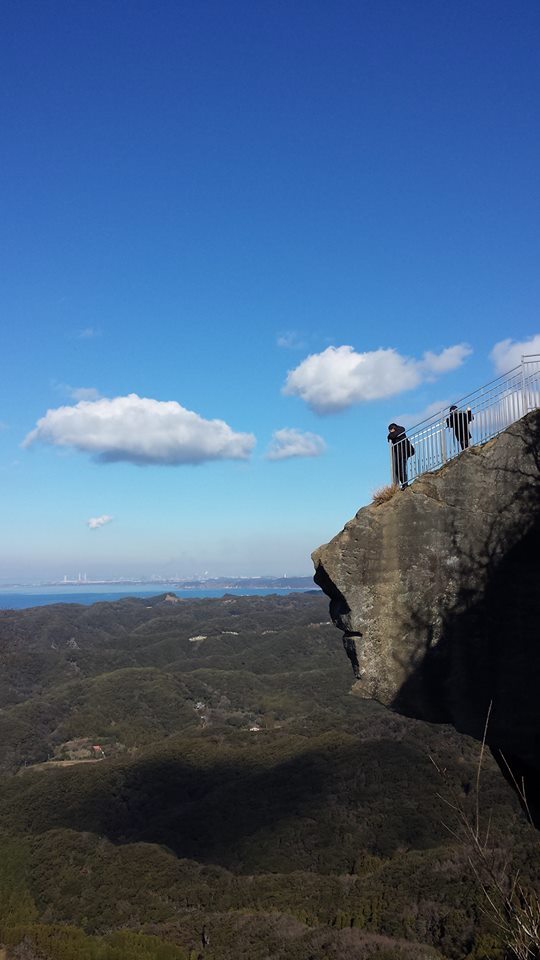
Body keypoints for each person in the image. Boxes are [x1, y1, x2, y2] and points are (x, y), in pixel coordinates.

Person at [388, 423, 414, 488]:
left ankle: (405, 484)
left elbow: (392, 436)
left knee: (401, 469)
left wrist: (391, 435)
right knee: (397, 470)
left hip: (404, 452)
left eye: (390, 431)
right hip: (399, 454)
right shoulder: (396, 432)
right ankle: (404, 483)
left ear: (393, 429)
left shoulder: (400, 430)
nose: (390, 432)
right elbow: (389, 437)